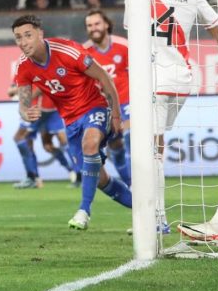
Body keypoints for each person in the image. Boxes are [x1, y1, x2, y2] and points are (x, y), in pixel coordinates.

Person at [125, 0, 218, 232]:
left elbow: (134, 38)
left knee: (150, 149)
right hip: (182, 80)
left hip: (152, 79)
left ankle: (157, 219)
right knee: (158, 143)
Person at [12, 14, 132, 230]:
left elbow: (104, 77)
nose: (23, 42)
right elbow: (23, 104)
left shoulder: (67, 50)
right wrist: (26, 113)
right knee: (101, 180)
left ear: (40, 34)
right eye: (18, 37)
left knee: (90, 144)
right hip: (70, 121)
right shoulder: (23, 66)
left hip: (95, 107)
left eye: (28, 35)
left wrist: (116, 115)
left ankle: (84, 210)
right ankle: (151, 214)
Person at [83, 10, 131, 186]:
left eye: (97, 24)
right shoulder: (84, 52)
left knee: (130, 137)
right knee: (115, 146)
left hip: (128, 101)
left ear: (106, 24)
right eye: (89, 25)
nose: (93, 28)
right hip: (105, 107)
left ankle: (138, 185)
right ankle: (130, 183)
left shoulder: (124, 46)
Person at [8, 84, 77, 189]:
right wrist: (19, 91)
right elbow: (10, 92)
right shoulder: (22, 75)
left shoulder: (38, 74)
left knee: (54, 143)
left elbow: (40, 88)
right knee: (33, 143)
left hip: (49, 110)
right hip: (37, 109)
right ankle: (34, 177)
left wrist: (22, 93)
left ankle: (76, 172)